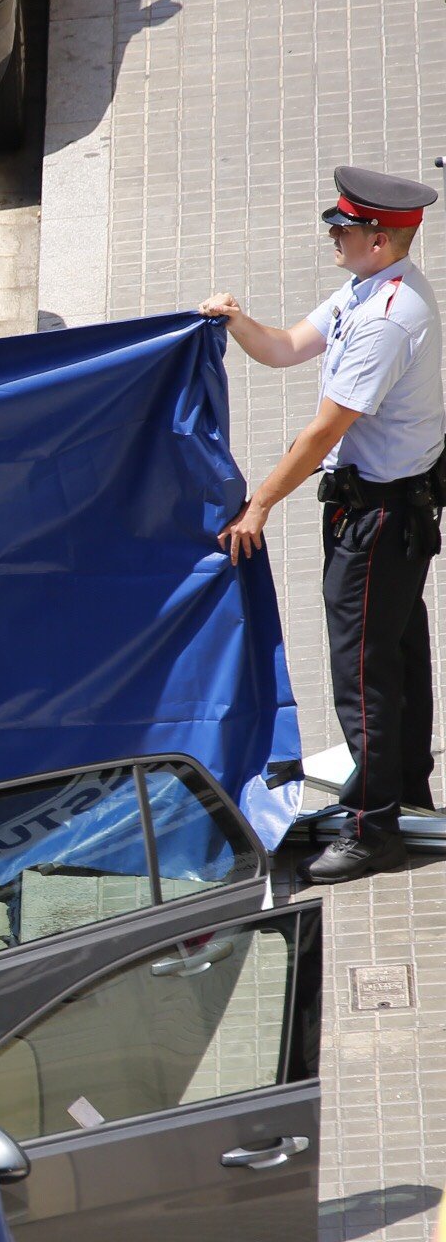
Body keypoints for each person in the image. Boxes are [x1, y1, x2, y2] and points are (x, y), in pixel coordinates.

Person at [204, 167, 446, 883]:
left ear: (379, 238)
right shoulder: (365, 290)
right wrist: (236, 320)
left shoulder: (388, 318)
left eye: (343, 229)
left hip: (379, 515)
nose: (332, 237)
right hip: (375, 507)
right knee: (395, 650)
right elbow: (283, 347)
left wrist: (259, 505)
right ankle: (400, 788)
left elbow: (321, 432)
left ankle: (375, 830)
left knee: (363, 669)